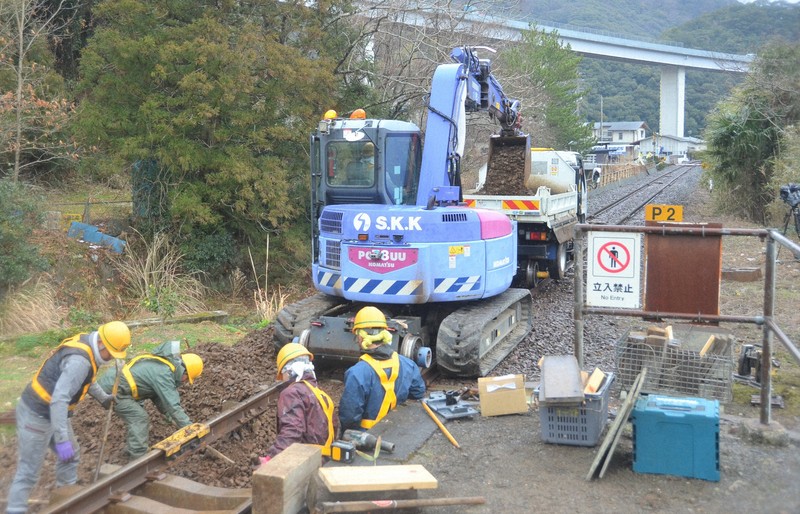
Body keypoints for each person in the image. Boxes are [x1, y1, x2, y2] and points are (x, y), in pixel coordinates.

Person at [6, 321, 131, 514]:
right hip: (37, 413)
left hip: (54, 413)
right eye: (112, 354)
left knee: (70, 457)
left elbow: (87, 380)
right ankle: (15, 510)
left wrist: (103, 399)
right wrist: (62, 439)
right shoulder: (79, 361)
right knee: (28, 472)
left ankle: (66, 501)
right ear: (102, 344)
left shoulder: (89, 348)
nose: (111, 358)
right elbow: (59, 400)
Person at [96, 340, 203, 461]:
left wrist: (170, 417)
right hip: (113, 389)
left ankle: (134, 447)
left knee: (137, 415)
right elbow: (173, 405)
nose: (185, 382)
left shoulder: (165, 367)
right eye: (187, 379)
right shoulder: (164, 374)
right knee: (139, 417)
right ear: (184, 371)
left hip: (118, 386)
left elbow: (157, 398)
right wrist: (191, 429)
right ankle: (138, 458)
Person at [339, 307, 426, 431]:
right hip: (397, 431)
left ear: (360, 337)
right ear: (384, 333)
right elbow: (418, 394)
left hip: (367, 438)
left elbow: (350, 415)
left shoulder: (357, 373)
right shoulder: (408, 364)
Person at [258, 343, 338, 463]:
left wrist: (272, 458)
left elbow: (292, 430)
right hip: (325, 459)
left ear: (288, 371)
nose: (283, 378)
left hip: (307, 461)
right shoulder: (319, 393)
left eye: (283, 374)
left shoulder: (292, 393)